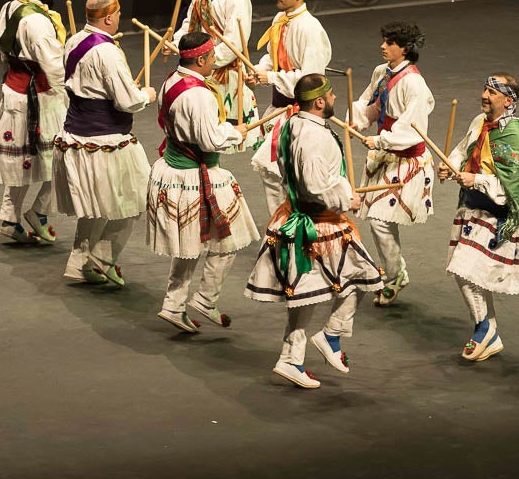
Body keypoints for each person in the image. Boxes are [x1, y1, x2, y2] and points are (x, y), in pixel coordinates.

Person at [245, 73, 384, 389]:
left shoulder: (291, 125)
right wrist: (346, 198)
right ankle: (332, 335)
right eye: (332, 95)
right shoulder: (315, 136)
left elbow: (283, 167)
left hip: (295, 214)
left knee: (305, 295)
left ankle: (290, 359)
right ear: (320, 101)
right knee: (364, 277)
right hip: (319, 221)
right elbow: (313, 185)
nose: (335, 99)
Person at [147, 31, 260, 334]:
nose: (214, 61)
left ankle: (173, 304)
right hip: (195, 176)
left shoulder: (172, 79)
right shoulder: (198, 95)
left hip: (173, 170)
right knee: (230, 240)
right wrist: (237, 132)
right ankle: (206, 299)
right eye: (211, 57)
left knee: (188, 246)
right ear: (200, 59)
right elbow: (210, 140)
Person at [53, 0, 156, 286]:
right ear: (109, 17)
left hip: (76, 134)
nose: (120, 17)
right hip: (105, 141)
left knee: (96, 204)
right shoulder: (107, 52)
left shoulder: (74, 40)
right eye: (119, 13)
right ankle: (102, 259)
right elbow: (127, 101)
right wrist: (146, 95)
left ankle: (79, 261)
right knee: (135, 198)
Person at [440, 74, 519, 363]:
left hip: (499, 215)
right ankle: (487, 329)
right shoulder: (479, 122)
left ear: (508, 101)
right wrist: (449, 165)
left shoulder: (515, 133)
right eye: (484, 89)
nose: (484, 95)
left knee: (464, 269)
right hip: (473, 208)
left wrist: (477, 180)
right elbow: (463, 149)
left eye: (492, 92)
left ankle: (485, 328)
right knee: (469, 272)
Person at [350, 21, 435, 306]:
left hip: (406, 159)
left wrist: (381, 141)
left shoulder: (414, 84)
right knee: (381, 220)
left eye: (389, 43)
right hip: (387, 156)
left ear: (405, 48)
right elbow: (372, 104)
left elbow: (412, 128)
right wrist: (358, 119)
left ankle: (395, 274)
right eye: (384, 41)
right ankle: (395, 271)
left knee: (380, 220)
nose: (383, 47)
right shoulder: (382, 72)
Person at [0, 0, 68, 245]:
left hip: (14, 89)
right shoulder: (36, 21)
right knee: (64, 155)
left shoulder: (10, 8)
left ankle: (10, 217)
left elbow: (3, 47)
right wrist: (68, 90)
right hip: (38, 96)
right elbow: (52, 65)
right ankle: (40, 211)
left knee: (21, 161)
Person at [173, 0, 258, 147]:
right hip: (198, 68)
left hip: (221, 74)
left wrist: (202, 61)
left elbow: (233, 44)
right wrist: (178, 44)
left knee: (216, 137)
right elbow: (188, 25)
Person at [245, 0, 332, 157]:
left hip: (300, 115)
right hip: (279, 109)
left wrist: (271, 77)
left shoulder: (310, 28)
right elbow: (273, 57)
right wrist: (259, 73)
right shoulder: (280, 20)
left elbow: (311, 81)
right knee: (271, 172)